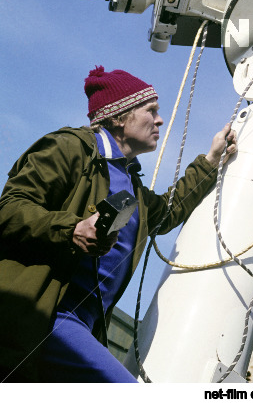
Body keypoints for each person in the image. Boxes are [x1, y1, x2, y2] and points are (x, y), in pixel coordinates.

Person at [0, 66, 237, 383]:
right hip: (46, 313)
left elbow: (168, 212)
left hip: (85, 326)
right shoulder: (70, 148)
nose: (160, 120)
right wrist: (72, 229)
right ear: (117, 117)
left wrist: (210, 160)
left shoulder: (132, 186)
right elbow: (10, 209)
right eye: (150, 110)